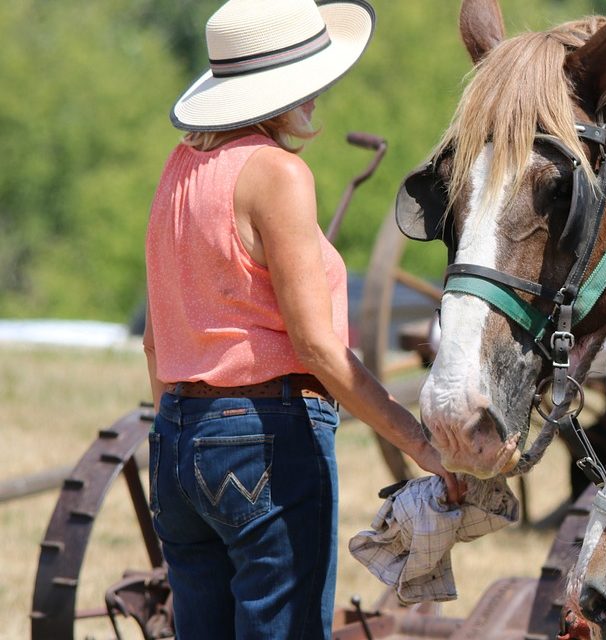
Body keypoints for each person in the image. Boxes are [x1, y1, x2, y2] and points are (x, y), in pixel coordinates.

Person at [142, 1, 458, 637]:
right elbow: (315, 345)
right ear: (277, 90)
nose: (322, 91)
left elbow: (155, 341)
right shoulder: (277, 173)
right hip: (267, 439)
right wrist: (418, 441)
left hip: (175, 436)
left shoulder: (179, 171)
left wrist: (186, 431)